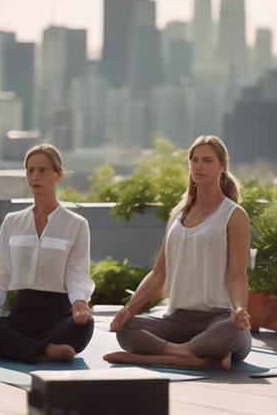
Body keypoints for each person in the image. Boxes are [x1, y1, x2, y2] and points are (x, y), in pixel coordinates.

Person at [104, 136, 253, 369]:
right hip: (178, 320)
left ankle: (160, 357)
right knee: (128, 329)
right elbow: (158, 273)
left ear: (222, 166)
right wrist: (128, 309)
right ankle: (191, 356)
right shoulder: (177, 215)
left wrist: (239, 309)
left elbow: (237, 274)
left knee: (233, 333)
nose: (198, 166)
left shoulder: (234, 215)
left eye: (207, 160)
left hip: (220, 319)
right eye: (194, 160)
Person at [0, 144, 95, 363]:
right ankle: (45, 351)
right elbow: (1, 275)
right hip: (20, 318)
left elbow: (76, 274)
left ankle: (25, 348)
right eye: (30, 170)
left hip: (58, 319)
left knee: (84, 326)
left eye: (42, 170)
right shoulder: (12, 222)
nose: (35, 176)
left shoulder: (77, 224)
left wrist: (80, 304)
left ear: (58, 175)